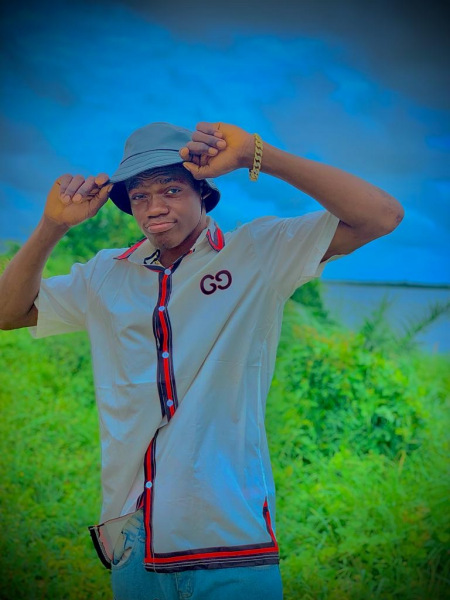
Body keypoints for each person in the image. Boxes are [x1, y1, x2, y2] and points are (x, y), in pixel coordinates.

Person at [0, 121, 404, 600]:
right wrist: (53, 226)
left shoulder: (257, 253)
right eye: (140, 196)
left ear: (203, 192)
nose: (154, 208)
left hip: (231, 535)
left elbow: (381, 216)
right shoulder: (105, 275)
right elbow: (8, 312)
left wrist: (257, 153)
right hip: (134, 539)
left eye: (171, 190)